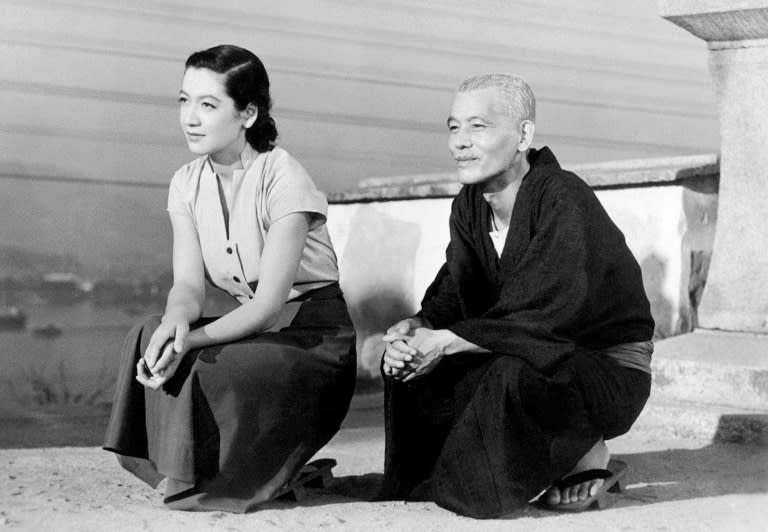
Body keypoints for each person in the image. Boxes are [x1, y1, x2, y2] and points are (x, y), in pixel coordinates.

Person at [380, 74, 654, 519]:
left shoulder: (562, 195)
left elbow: (546, 316)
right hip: (527, 350)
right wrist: (417, 329)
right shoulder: (469, 206)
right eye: (453, 127)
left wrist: (447, 340)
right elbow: (453, 296)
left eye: (478, 127)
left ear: (524, 135)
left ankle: (584, 451)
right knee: (413, 366)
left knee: (509, 370)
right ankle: (459, 472)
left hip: (600, 370)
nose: (460, 143)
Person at [103, 45, 356, 513]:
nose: (190, 118)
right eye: (184, 101)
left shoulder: (283, 177)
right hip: (256, 328)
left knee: (209, 361)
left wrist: (190, 342)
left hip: (312, 340)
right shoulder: (186, 182)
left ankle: (232, 474)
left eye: (208, 104)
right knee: (147, 334)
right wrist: (175, 325)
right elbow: (189, 287)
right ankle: (182, 470)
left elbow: (265, 308)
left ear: (248, 113)